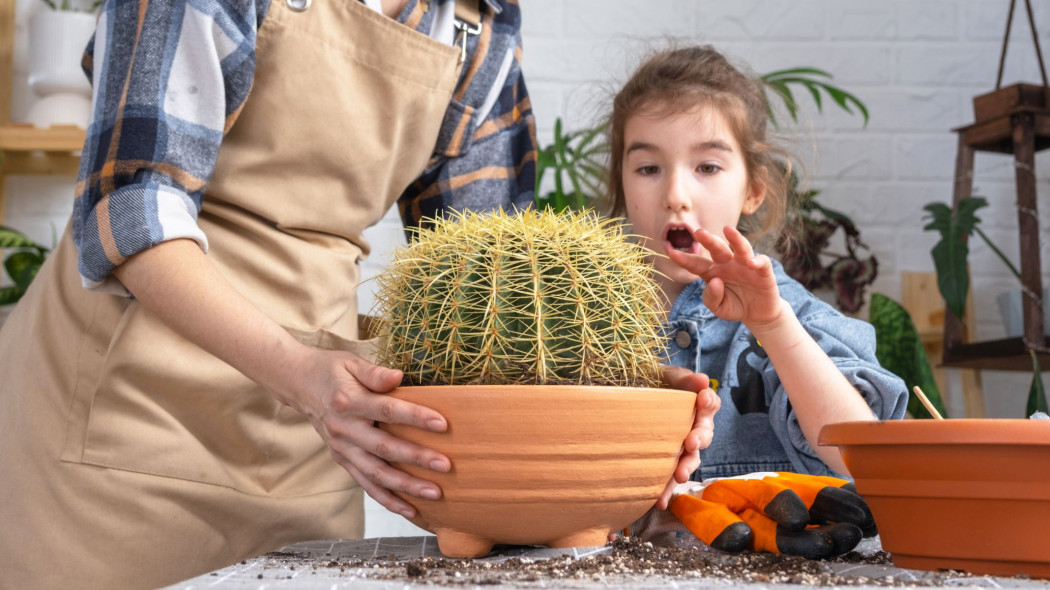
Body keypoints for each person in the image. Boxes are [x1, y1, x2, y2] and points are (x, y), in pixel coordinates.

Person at [0, 2, 719, 587]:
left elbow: (494, 296)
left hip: (312, 431)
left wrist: (633, 403)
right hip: (123, 406)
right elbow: (128, 205)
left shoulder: (478, 24)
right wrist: (304, 379)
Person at [606, 45, 908, 482]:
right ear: (622, 183)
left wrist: (772, 325)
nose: (675, 194)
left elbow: (859, 460)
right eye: (648, 168)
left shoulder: (792, 316)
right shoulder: (578, 318)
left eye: (707, 167)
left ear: (754, 190)